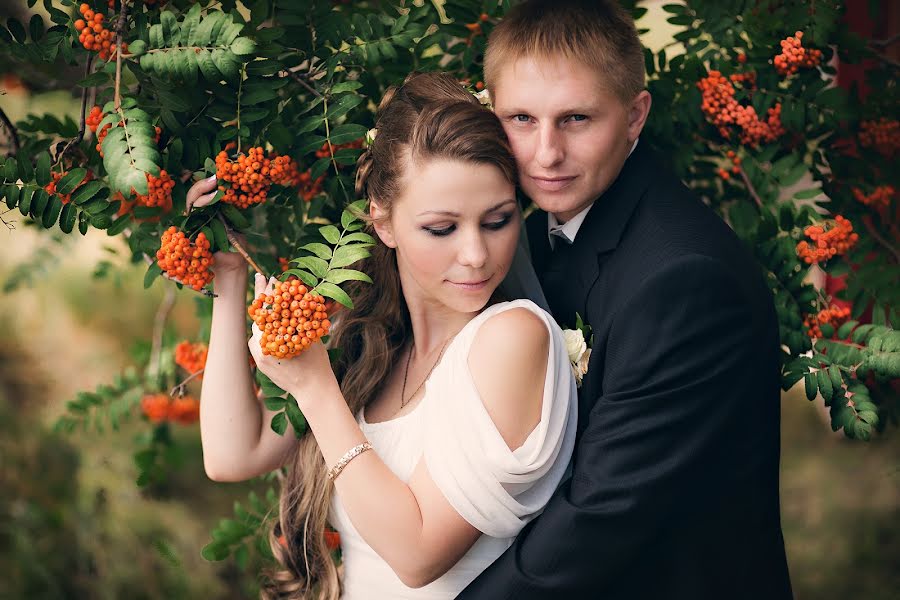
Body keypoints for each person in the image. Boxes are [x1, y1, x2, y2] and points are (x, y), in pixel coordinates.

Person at [192, 71, 578, 599]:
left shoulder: (511, 337)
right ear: (384, 223)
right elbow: (233, 454)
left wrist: (314, 388)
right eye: (441, 228)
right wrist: (228, 280)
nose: (476, 254)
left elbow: (417, 556)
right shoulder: (372, 344)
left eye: (498, 220)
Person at [456, 1, 794, 599]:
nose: (545, 153)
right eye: (522, 119)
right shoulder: (527, 237)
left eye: (577, 119)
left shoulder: (685, 283)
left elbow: (600, 516)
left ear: (635, 116)